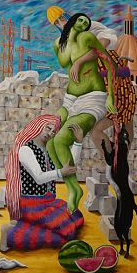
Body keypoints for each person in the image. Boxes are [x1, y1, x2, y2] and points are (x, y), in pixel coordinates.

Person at [48, 13, 117, 213]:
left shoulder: (88, 37)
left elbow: (109, 63)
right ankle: (72, 188)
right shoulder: (59, 44)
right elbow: (63, 62)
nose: (83, 23)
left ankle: (73, 191)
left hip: (92, 98)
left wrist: (110, 97)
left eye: (86, 21)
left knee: (61, 140)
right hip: (70, 100)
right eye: (59, 20)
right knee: (51, 141)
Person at [2, 115, 85, 250]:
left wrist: (78, 142)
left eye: (53, 131)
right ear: (38, 126)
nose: (50, 133)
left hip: (49, 202)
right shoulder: (26, 149)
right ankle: (11, 233)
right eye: (48, 128)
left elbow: (69, 166)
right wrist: (61, 173)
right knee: (69, 232)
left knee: (77, 217)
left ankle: (27, 225)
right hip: (33, 205)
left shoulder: (49, 150)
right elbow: (39, 178)